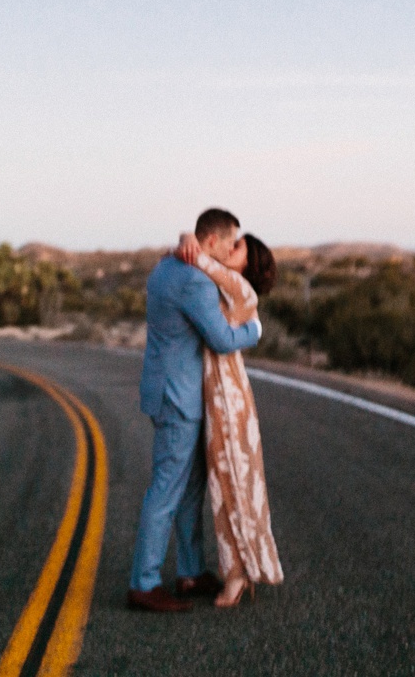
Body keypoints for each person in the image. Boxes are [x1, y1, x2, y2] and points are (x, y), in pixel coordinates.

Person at [127, 208, 262, 612]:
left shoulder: (167, 266)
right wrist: (254, 330)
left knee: (189, 489)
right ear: (211, 243)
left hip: (168, 390)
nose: (233, 248)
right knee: (168, 488)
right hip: (179, 397)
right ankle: (144, 582)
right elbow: (222, 339)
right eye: (232, 242)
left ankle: (189, 572)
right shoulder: (194, 281)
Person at [174, 228, 284, 607]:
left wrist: (188, 238)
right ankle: (242, 565)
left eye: (236, 247)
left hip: (227, 396)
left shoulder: (241, 289)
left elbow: (200, 259)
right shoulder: (228, 287)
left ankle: (236, 573)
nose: (228, 248)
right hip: (221, 392)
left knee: (231, 483)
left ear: (248, 264)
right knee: (230, 482)